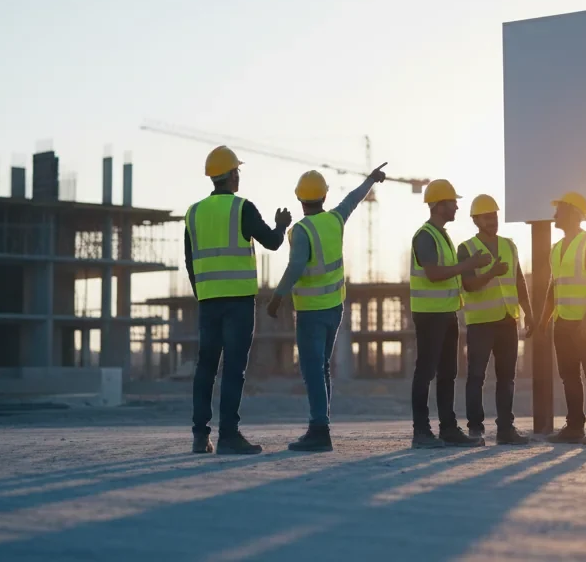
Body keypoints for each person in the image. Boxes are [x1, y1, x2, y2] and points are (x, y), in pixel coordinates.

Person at [263, 163, 388, 452]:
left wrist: (277, 297)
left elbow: (295, 267)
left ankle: (319, 430)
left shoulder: (301, 230)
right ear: (324, 196)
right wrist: (370, 178)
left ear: (299, 199)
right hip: (335, 309)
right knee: (322, 369)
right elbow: (353, 199)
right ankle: (322, 425)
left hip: (310, 312)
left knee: (313, 370)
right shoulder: (335, 219)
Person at [186, 145, 291, 455]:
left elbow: (190, 260)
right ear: (232, 175)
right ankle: (228, 436)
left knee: (205, 367)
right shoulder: (241, 208)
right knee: (233, 368)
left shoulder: (193, 212)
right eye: (238, 172)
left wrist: (202, 293)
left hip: (208, 301)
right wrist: (282, 226)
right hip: (239, 301)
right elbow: (271, 243)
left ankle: (199, 436)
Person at [408, 179, 492, 448]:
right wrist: (469, 264)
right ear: (439, 205)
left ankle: (448, 429)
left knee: (448, 373)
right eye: (453, 202)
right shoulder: (425, 236)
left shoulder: (442, 236)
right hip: (430, 315)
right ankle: (421, 432)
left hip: (447, 313)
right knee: (426, 372)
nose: (457, 206)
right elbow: (433, 274)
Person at [535, 191, 586, 445]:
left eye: (560, 209)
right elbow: (554, 287)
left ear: (574, 214)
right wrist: (544, 320)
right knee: (569, 375)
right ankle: (574, 426)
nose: (555, 214)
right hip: (564, 321)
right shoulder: (556, 249)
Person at [458, 194, 534, 445]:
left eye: (495, 216)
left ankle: (505, 430)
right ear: (476, 220)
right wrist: (491, 272)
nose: (493, 221)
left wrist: (529, 313)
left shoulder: (509, 246)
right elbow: (469, 285)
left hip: (507, 320)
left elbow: (519, 281)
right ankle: (475, 429)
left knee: (507, 377)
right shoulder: (466, 249)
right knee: (476, 376)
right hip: (480, 322)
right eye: (487, 217)